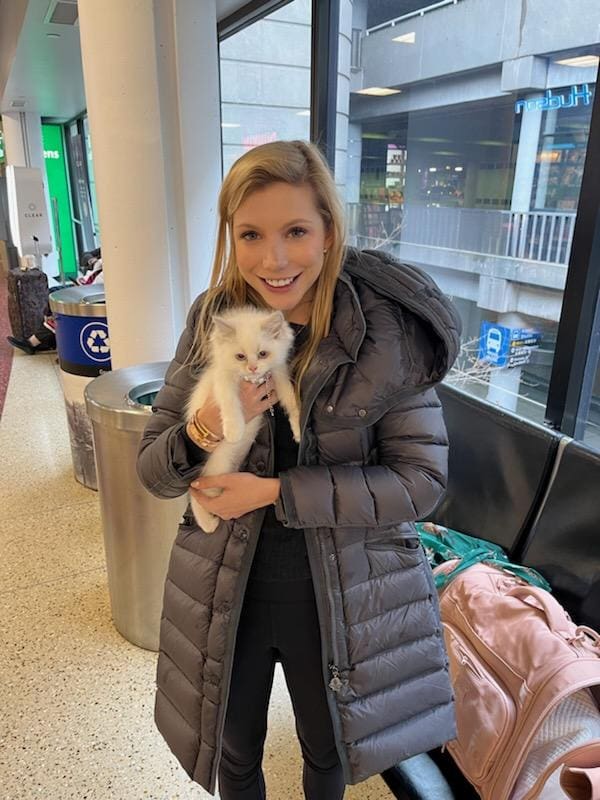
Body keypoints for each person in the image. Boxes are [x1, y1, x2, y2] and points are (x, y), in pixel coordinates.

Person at [136, 140, 461, 799]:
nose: (273, 260)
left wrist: (276, 492)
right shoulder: (212, 321)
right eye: (251, 234)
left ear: (329, 232)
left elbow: (420, 481)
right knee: (234, 754)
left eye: (296, 232)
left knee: (327, 753)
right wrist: (203, 431)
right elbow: (153, 469)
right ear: (230, 235)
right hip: (227, 590)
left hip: (342, 595)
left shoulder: (382, 333)